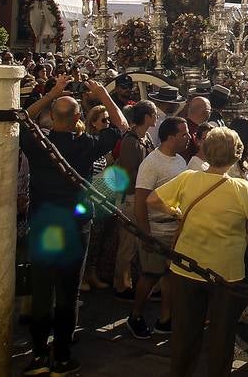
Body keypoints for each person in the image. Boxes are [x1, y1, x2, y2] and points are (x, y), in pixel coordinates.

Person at [20, 78, 127, 377]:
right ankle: (62, 356)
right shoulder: (86, 144)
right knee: (68, 293)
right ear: (78, 117)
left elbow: (23, 116)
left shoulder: (37, 142)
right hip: (75, 228)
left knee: (42, 292)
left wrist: (52, 94)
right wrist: (103, 94)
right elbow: (121, 126)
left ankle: (39, 354)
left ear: (52, 117)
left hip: (42, 224)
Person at [148, 126, 248, 377]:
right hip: (226, 271)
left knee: (185, 332)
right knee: (222, 334)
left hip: (186, 266)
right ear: (236, 154)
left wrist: (175, 212)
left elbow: (152, 199)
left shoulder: (188, 178)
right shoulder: (241, 187)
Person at [128, 116, 190, 339]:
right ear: (171, 137)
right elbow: (140, 200)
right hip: (156, 229)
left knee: (170, 277)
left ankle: (165, 319)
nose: (188, 137)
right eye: (183, 134)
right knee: (150, 275)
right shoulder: (151, 163)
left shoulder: (180, 161)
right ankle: (135, 316)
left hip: (175, 230)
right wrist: (146, 234)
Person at [113, 100, 157, 297]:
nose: (156, 117)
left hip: (139, 196)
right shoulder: (131, 141)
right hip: (130, 197)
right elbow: (129, 173)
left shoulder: (145, 137)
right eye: (154, 114)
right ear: (146, 117)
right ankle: (121, 286)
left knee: (135, 244)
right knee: (128, 245)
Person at [81, 104, 115, 292]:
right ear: (93, 122)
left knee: (99, 238)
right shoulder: (89, 143)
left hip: (102, 197)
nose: (107, 123)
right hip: (89, 197)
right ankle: (83, 275)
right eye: (104, 120)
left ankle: (92, 273)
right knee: (89, 238)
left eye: (109, 119)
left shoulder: (104, 146)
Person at [183, 95, 212, 162]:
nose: (210, 113)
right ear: (205, 112)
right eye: (210, 111)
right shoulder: (186, 131)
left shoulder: (182, 126)